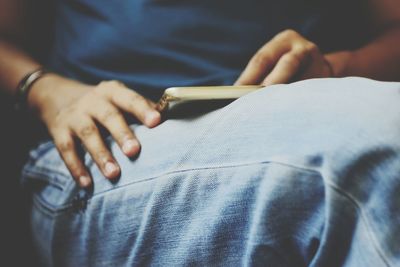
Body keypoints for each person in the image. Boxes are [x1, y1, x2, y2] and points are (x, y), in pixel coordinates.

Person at [0, 0, 399, 265]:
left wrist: (336, 68)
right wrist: (43, 88)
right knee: (355, 159)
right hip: (109, 143)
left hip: (304, 111)